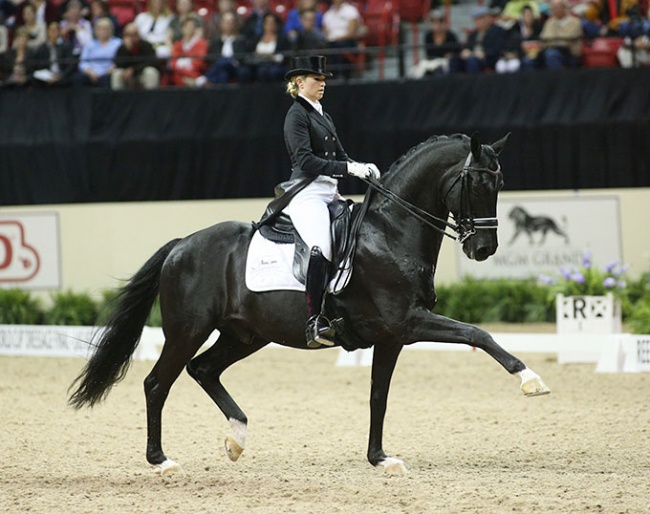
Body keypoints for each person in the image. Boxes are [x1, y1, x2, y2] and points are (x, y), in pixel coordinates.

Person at [278, 55, 380, 347]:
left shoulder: (323, 114)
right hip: (306, 192)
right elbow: (306, 161)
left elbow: (340, 157)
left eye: (323, 80)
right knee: (321, 246)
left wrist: (361, 167)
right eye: (316, 80)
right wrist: (349, 169)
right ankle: (314, 320)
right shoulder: (296, 115)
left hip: (329, 191)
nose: (322, 84)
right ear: (299, 83)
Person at [449, 6, 507, 73]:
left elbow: (498, 48)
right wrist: (466, 51)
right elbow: (468, 46)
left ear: (488, 18)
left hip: (488, 59)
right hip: (473, 56)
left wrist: (484, 53)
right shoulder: (474, 33)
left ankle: (473, 81)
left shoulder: (497, 31)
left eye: (481, 19)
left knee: (472, 60)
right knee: (454, 60)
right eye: (476, 20)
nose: (478, 22)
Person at [198, 10, 249, 85]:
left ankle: (204, 78)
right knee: (223, 73)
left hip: (236, 67)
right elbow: (212, 58)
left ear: (235, 24)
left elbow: (243, 57)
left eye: (231, 22)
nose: (229, 24)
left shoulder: (241, 41)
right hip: (221, 68)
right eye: (226, 22)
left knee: (225, 60)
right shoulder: (216, 41)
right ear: (221, 24)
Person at [409, 10, 460, 78]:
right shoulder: (428, 36)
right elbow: (429, 53)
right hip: (432, 63)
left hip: (447, 64)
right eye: (434, 22)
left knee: (440, 73)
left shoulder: (451, 35)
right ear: (431, 24)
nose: (438, 25)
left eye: (440, 21)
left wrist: (449, 55)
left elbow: (457, 51)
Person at [73, 17, 121, 86]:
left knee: (107, 79)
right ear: (96, 31)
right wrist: (90, 72)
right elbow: (83, 62)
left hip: (109, 72)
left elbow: (118, 61)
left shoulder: (117, 43)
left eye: (106, 29)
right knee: (78, 78)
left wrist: (109, 71)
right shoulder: (90, 44)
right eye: (100, 29)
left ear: (111, 30)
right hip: (91, 72)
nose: (103, 31)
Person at [242, 12, 289, 81]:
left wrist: (270, 56)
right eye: (267, 22)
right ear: (263, 24)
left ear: (277, 25)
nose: (270, 25)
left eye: (272, 23)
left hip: (275, 65)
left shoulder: (282, 39)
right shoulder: (256, 39)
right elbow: (250, 53)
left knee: (268, 71)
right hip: (257, 65)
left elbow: (284, 56)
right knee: (245, 71)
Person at [111, 22, 160, 89]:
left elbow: (152, 62)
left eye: (135, 34)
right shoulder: (122, 48)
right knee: (116, 73)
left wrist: (134, 70)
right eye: (129, 35)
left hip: (141, 73)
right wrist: (127, 50)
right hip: (127, 76)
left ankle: (151, 98)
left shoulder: (146, 45)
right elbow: (118, 64)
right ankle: (118, 99)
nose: (132, 38)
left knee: (151, 72)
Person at [538, 0, 584, 69]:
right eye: (553, 8)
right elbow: (544, 38)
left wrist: (553, 41)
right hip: (549, 51)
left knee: (551, 55)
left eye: (558, 7)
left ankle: (558, 79)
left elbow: (567, 41)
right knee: (531, 60)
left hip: (569, 54)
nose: (555, 10)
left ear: (564, 8)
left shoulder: (575, 22)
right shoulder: (549, 23)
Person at [322, 0, 361, 78]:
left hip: (347, 41)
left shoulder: (351, 11)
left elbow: (352, 32)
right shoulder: (327, 14)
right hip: (331, 42)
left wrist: (337, 39)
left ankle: (339, 75)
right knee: (323, 47)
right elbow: (325, 32)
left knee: (337, 47)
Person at [31, 20, 77, 86]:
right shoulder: (42, 48)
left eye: (55, 30)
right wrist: (47, 76)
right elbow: (38, 64)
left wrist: (60, 76)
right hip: (47, 75)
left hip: (62, 75)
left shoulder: (66, 45)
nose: (53, 32)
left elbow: (70, 65)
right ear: (48, 32)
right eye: (51, 30)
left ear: (59, 31)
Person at [168, 16, 207, 86]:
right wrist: (187, 63)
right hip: (184, 75)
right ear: (182, 29)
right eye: (187, 26)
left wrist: (181, 63)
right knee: (176, 75)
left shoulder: (201, 43)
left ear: (195, 29)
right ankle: (194, 81)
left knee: (178, 75)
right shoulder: (177, 45)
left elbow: (198, 63)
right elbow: (173, 63)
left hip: (195, 72)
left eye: (192, 26)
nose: (190, 29)